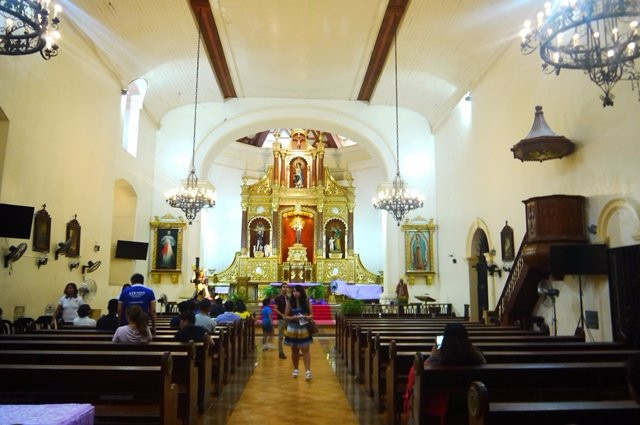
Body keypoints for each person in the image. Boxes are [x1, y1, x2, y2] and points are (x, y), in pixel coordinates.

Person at [403, 323, 486, 422]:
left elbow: (416, 374)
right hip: (472, 404)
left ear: (445, 340)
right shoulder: (478, 358)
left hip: (444, 407)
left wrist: (432, 356)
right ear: (466, 339)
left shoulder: (437, 360)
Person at [284, 285, 314, 381]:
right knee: (294, 350)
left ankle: (308, 371)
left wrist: (305, 317)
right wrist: (294, 318)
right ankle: (296, 369)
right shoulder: (290, 302)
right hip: (293, 327)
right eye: (293, 291)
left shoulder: (306, 301)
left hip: (304, 326)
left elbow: (311, 315)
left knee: (305, 349)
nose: (295, 293)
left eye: (297, 291)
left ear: (301, 292)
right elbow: (286, 316)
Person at [274, 284, 289, 359]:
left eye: (286, 287)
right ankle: (281, 353)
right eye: (284, 287)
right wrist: (282, 315)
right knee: (280, 336)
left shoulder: (289, 298)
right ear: (281, 288)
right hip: (281, 319)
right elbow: (275, 309)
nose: (285, 288)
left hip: (289, 319)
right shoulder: (278, 298)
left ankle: (296, 351)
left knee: (293, 334)